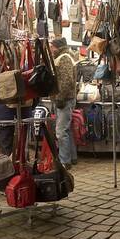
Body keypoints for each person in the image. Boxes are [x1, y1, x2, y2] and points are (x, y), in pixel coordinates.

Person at [50, 37, 78, 169]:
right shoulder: (64, 56)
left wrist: (60, 97)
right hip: (66, 98)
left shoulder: (64, 58)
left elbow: (67, 81)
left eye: (52, 46)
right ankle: (72, 157)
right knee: (66, 130)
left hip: (65, 99)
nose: (51, 49)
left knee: (61, 131)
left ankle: (64, 161)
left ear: (57, 47)